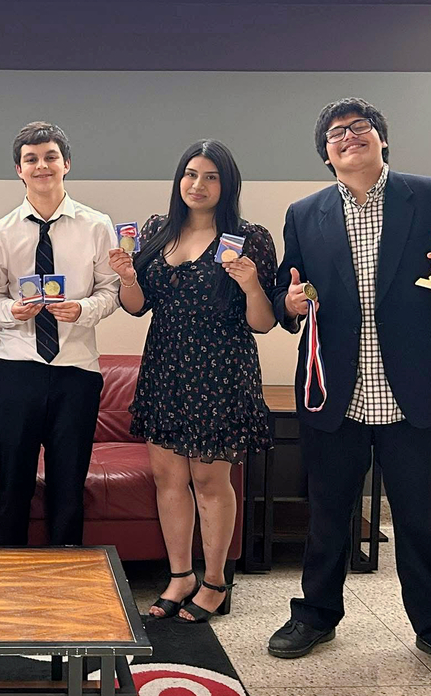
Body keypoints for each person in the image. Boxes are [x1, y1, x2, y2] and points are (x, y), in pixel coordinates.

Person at [266, 98, 431, 681]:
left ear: (382, 140)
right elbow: (289, 291)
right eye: (335, 134)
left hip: (412, 388)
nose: (348, 137)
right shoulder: (304, 212)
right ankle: (316, 614)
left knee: (419, 516)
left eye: (359, 128)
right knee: (327, 514)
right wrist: (289, 304)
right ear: (325, 154)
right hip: (334, 392)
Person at [110, 140, 276, 622]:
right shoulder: (157, 232)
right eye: (190, 174)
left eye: (210, 177)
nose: (198, 185)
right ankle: (180, 575)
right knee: (168, 478)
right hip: (166, 366)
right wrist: (125, 276)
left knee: (209, 479)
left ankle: (216, 581)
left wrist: (248, 283)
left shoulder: (250, 238)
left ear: (227, 185)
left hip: (221, 370)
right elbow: (138, 306)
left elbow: (263, 323)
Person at [0, 121, 119, 546]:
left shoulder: (96, 225)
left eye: (50, 157)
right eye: (31, 159)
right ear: (19, 170)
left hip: (77, 370)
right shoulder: (0, 232)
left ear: (66, 164)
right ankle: (8, 571)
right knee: (13, 483)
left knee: (69, 484)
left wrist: (82, 309)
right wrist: (11, 310)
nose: (41, 166)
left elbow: (111, 291)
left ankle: (68, 573)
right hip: (17, 367)